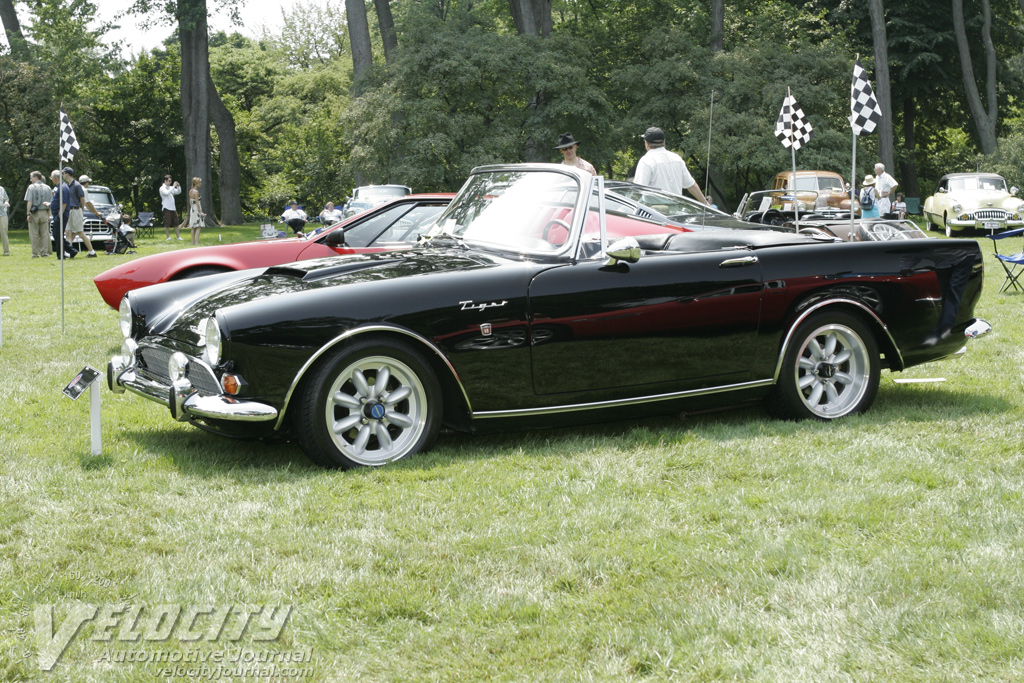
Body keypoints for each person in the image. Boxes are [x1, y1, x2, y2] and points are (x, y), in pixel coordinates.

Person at [634, 126, 711, 205]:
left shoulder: (646, 160)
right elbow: (691, 186)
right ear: (664, 142)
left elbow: (637, 190)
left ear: (647, 143)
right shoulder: (676, 158)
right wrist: (707, 205)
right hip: (675, 209)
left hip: (653, 209)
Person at [62, 167, 98, 257]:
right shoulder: (66, 185)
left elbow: (82, 199)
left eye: (63, 173)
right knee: (68, 232)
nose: (62, 175)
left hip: (76, 210)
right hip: (69, 211)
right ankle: (69, 252)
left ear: (67, 174)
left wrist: (81, 210)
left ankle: (92, 252)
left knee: (80, 232)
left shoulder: (77, 185)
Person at [24, 171, 52, 258]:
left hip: (35, 213)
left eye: (31, 177)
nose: (30, 179)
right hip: (45, 212)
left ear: (36, 178)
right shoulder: (48, 188)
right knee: (44, 234)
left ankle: (35, 253)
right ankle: (44, 253)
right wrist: (49, 215)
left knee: (34, 234)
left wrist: (28, 214)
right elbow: (50, 203)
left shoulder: (31, 187)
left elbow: (29, 202)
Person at [48, 170, 74, 258]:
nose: (51, 179)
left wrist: (60, 213)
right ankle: (71, 251)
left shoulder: (63, 187)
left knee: (58, 235)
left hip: (61, 215)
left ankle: (61, 255)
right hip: (57, 214)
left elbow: (64, 202)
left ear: (55, 177)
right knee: (57, 235)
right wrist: (50, 204)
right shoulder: (58, 187)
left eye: (51, 177)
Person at [159, 175, 182, 240]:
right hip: (166, 207)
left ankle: (178, 237)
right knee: (167, 223)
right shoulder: (162, 188)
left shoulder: (170, 188)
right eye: (169, 181)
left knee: (176, 223)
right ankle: (168, 237)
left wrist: (178, 186)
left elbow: (178, 192)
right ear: (165, 181)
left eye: (171, 181)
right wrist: (173, 186)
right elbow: (166, 193)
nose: (170, 182)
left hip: (173, 208)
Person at [187, 177, 206, 246]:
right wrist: (200, 212)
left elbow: (190, 201)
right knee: (198, 226)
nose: (200, 184)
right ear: (196, 183)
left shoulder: (190, 191)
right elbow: (197, 202)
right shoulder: (196, 192)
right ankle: (197, 242)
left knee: (193, 227)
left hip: (192, 209)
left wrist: (192, 208)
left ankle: (193, 242)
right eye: (199, 182)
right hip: (196, 209)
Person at [0, 178, 9, 256]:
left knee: (4, 233)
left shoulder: (1, 189)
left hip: (2, 214)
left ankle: (6, 251)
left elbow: (6, 199)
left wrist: (6, 202)